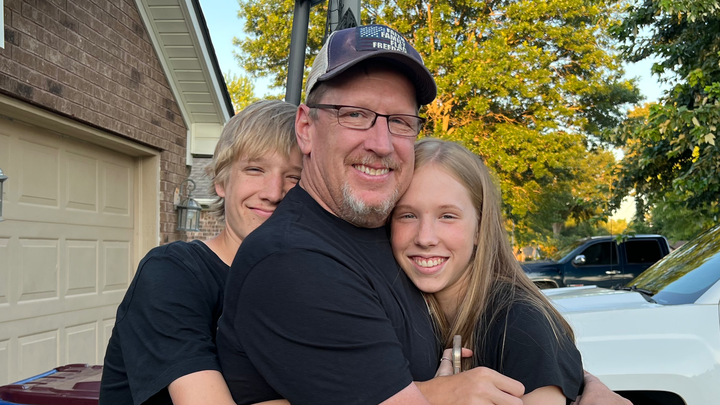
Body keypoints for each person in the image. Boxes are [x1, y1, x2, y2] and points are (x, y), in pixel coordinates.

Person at [217, 24, 630, 405]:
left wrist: (576, 378)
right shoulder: (294, 262)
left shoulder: (377, 229)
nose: (380, 143)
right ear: (306, 128)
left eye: (399, 121)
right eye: (355, 114)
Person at [99, 100, 302, 405]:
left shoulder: (305, 286)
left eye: (294, 177)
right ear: (221, 181)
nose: (273, 192)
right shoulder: (172, 272)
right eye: (255, 169)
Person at [391, 138, 583, 404]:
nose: (425, 238)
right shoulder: (393, 308)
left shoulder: (522, 324)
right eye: (407, 215)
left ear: (480, 228)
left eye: (447, 216)